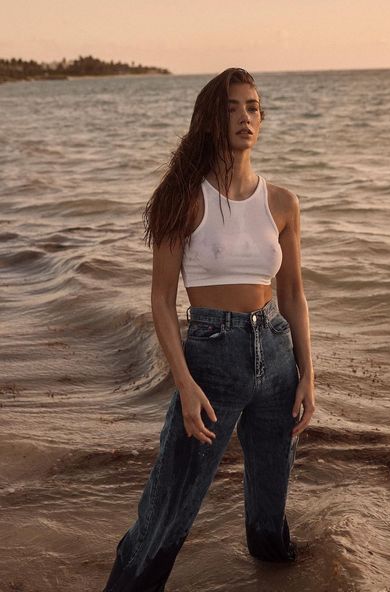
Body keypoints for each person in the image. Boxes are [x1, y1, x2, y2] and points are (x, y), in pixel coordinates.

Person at [102, 67, 315, 592]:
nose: (245, 117)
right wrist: (184, 382)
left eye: (253, 107)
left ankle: (279, 579)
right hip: (213, 355)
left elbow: (292, 295)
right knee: (171, 503)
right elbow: (160, 300)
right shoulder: (184, 197)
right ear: (210, 119)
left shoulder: (282, 203)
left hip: (277, 355)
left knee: (270, 509)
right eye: (232, 107)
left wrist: (309, 374)